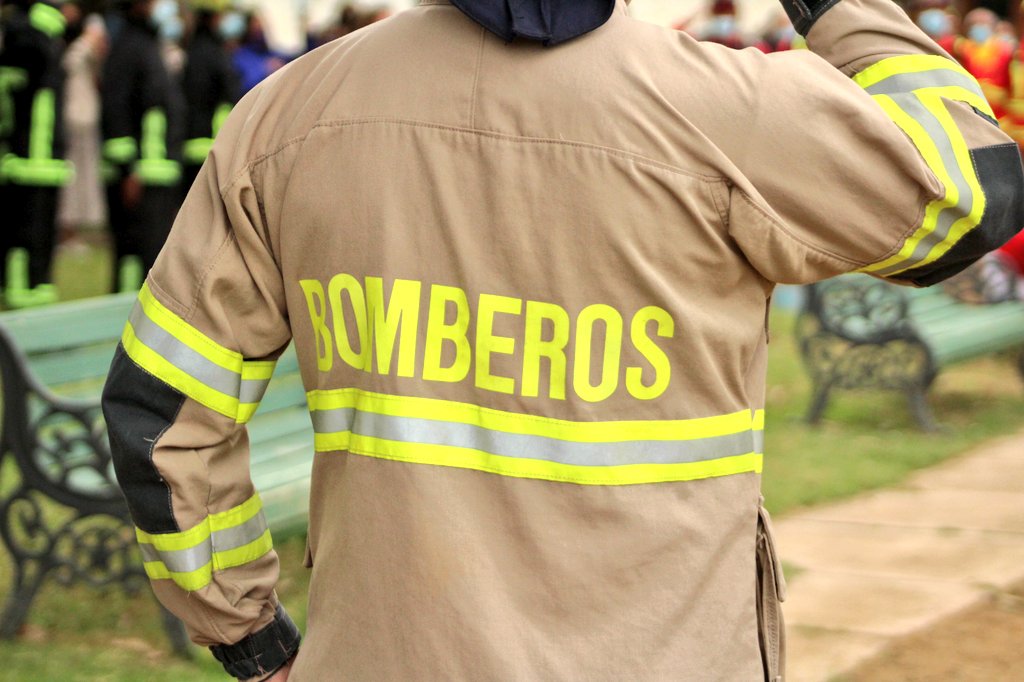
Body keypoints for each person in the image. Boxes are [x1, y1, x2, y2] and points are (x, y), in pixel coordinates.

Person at [100, 0, 1024, 680]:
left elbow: (160, 415)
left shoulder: (288, 119)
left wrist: (250, 638)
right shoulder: (728, 112)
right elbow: (973, 194)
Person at [101, 0, 184, 291]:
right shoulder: (129, 46)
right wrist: (128, 171)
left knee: (152, 259)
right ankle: (117, 317)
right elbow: (117, 110)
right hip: (139, 178)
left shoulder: (148, 44)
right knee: (132, 253)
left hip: (157, 174)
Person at [0, 0, 74, 307]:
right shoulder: (32, 38)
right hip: (30, 161)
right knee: (25, 237)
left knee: (37, 240)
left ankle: (34, 298)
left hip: (34, 159)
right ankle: (22, 304)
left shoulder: (28, 37)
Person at [58, 7, 108, 243]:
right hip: (75, 120)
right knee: (72, 179)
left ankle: (77, 227)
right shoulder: (78, 51)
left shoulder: (92, 59)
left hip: (86, 121)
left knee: (85, 178)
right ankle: (67, 229)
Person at [181, 0, 239, 192]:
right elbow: (232, 96)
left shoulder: (191, 50)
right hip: (213, 144)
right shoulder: (216, 54)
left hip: (189, 143)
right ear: (216, 17)